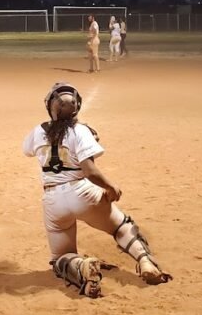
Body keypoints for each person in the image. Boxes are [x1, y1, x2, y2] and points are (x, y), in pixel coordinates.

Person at [22, 83, 172, 298]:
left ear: (50, 106)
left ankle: (82, 269)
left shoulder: (38, 130)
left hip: (53, 198)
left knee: (62, 257)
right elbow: (89, 170)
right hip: (82, 192)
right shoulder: (80, 130)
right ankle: (146, 262)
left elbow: (28, 150)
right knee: (121, 227)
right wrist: (110, 186)